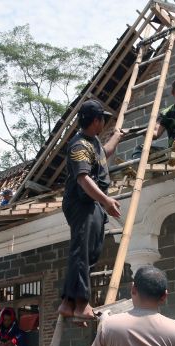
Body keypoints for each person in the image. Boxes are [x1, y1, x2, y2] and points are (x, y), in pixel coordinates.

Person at [57, 99, 124, 322]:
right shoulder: (79, 146)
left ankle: (68, 303)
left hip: (90, 202)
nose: (104, 122)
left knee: (89, 250)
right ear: (96, 120)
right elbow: (83, 178)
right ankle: (82, 304)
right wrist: (106, 200)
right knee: (83, 252)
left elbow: (104, 153)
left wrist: (117, 136)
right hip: (82, 202)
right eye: (103, 119)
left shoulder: (92, 142)